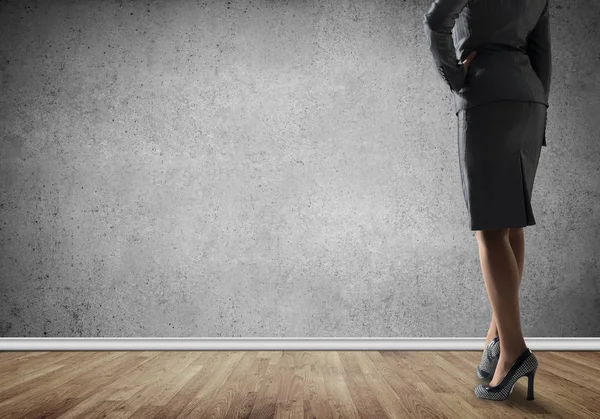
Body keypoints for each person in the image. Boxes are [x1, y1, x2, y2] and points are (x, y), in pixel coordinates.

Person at [423, 0, 552, 401]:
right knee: (510, 221)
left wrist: (455, 75)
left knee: (490, 229)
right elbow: (542, 53)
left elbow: (436, 19)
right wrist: (539, 110)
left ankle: (514, 353)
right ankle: (496, 340)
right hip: (529, 101)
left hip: (486, 96)